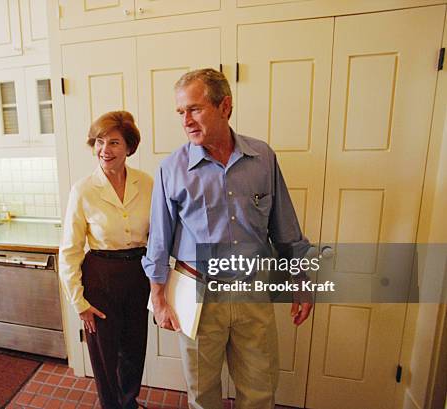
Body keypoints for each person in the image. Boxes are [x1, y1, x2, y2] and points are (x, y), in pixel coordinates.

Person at [142, 68, 313, 409]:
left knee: (260, 391)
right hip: (198, 295)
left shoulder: (262, 158)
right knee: (203, 395)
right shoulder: (171, 169)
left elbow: (286, 229)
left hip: (253, 293)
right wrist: (158, 299)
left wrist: (302, 281)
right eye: (181, 112)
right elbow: (159, 242)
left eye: (195, 109)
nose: (186, 120)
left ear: (225, 107)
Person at [59, 111, 153, 409]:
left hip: (139, 276)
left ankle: (129, 402)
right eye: (99, 142)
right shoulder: (83, 189)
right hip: (100, 279)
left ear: (129, 147)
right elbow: (70, 249)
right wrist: (79, 301)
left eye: (114, 142)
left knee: (134, 350)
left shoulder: (147, 183)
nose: (105, 150)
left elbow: (160, 234)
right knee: (104, 355)